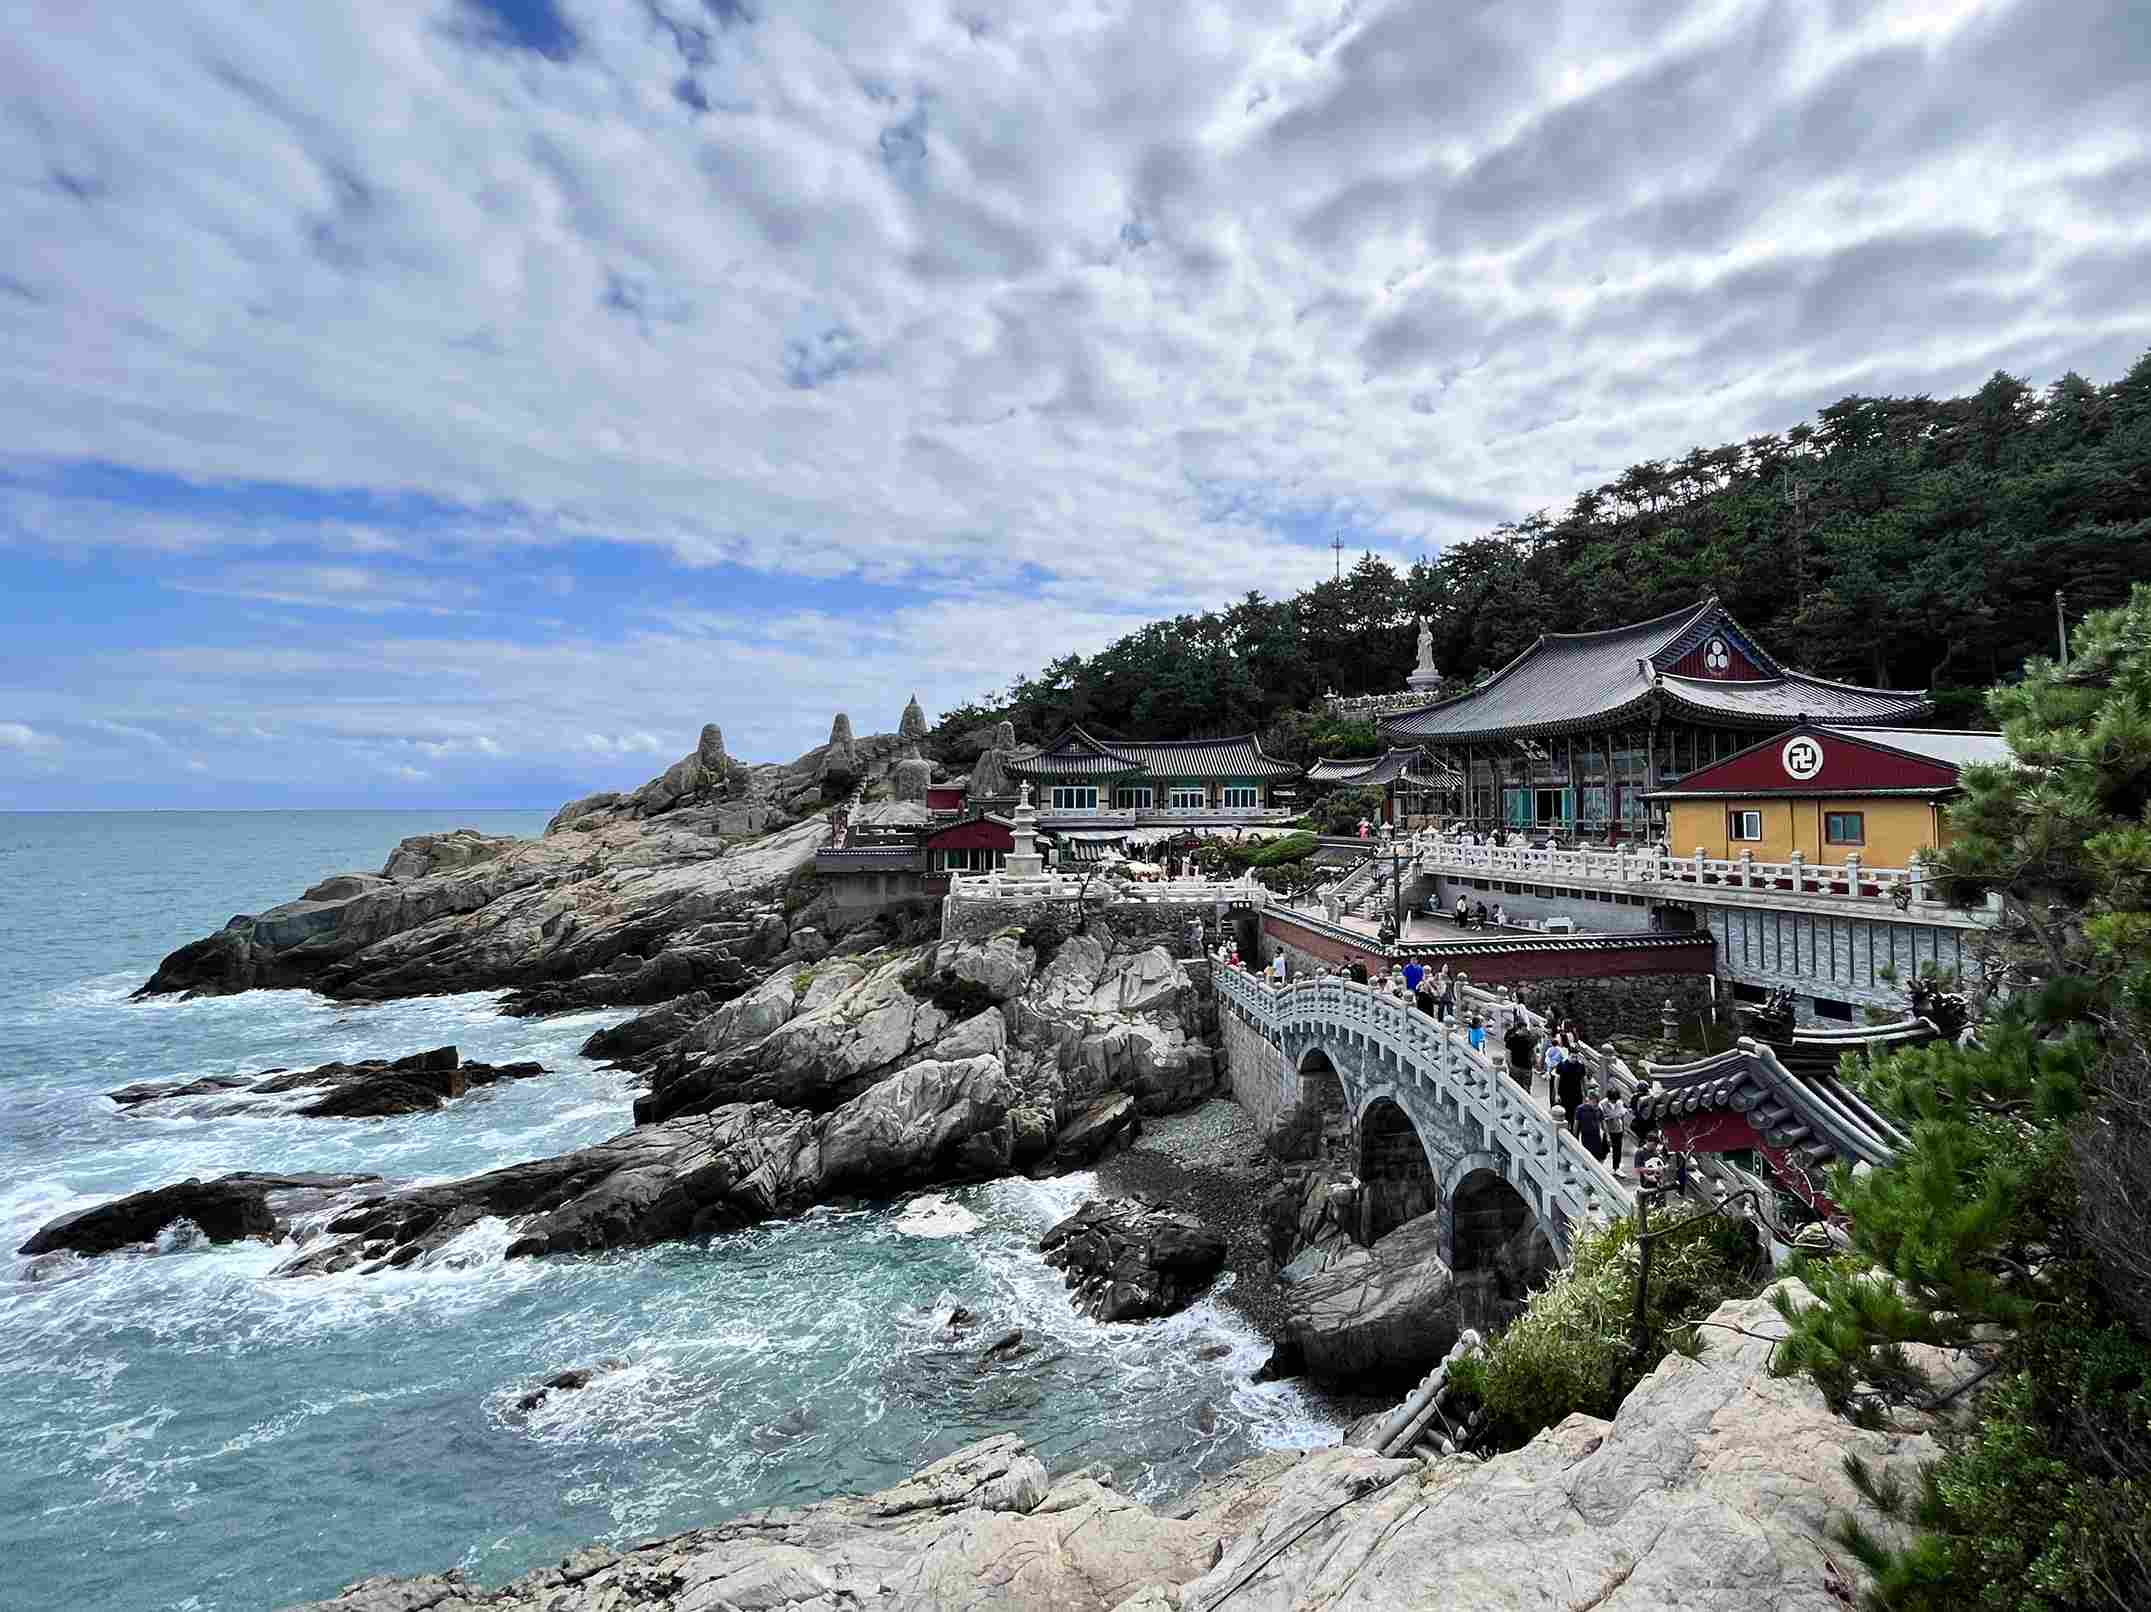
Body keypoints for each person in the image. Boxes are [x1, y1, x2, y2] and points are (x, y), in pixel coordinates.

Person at [1576, 1086, 1608, 1163]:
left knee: (1598, 1156)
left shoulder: (1598, 1109)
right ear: (1589, 1100)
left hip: (1596, 1135)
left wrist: (1607, 1135)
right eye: (1595, 1102)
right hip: (1585, 1135)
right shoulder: (1580, 1109)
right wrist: (1575, 1135)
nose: (1596, 1104)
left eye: (1597, 1102)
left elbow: (1603, 1122)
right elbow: (1576, 1123)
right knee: (1587, 1155)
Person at [1503, 1016, 1536, 1090]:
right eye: (1524, 1028)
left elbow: (1533, 1052)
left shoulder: (1512, 1039)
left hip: (1523, 1067)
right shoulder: (1513, 1039)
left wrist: (1510, 1065)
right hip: (1519, 1067)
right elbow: (1508, 1054)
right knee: (1521, 1088)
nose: (1525, 1030)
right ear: (1520, 1028)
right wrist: (1510, 1065)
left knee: (1518, 1088)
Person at [1603, 1090, 1631, 1173]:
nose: (1615, 1101)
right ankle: (1601, 1165)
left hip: (1618, 1129)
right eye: (1613, 1099)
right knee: (1605, 1149)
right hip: (1607, 1129)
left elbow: (1622, 1115)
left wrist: (1623, 1128)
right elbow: (1602, 1118)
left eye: (1616, 1099)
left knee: (1617, 1149)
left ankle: (1616, 1167)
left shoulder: (1619, 1103)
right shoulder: (1603, 1104)